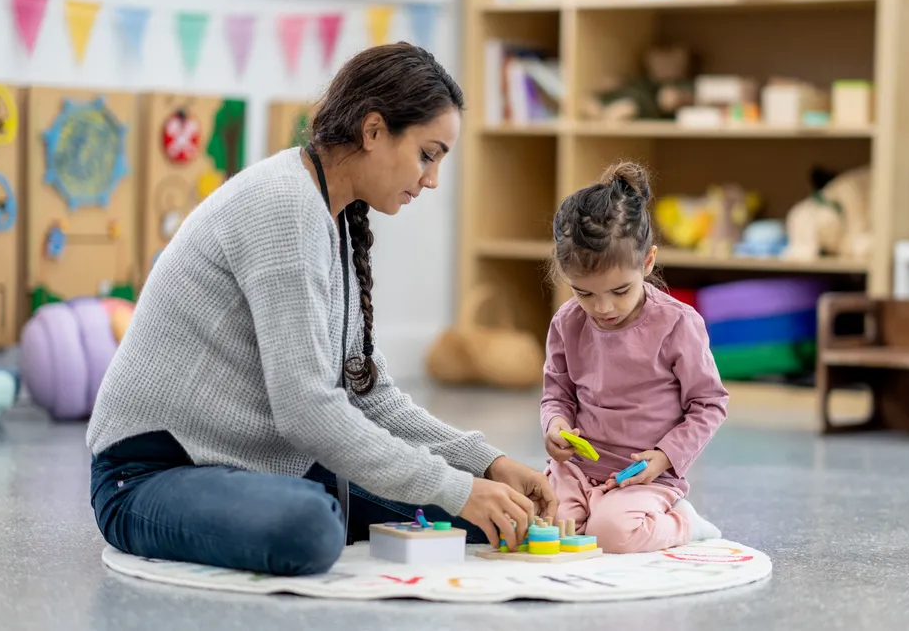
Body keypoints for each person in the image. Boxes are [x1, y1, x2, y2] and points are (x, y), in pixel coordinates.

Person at [86, 42, 557, 577]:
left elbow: (371, 395)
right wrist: (457, 487)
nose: (432, 180)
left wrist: (485, 464)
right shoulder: (284, 205)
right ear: (374, 131)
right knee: (311, 527)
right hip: (151, 476)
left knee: (496, 513)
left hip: (259, 467)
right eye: (428, 154)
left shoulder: (334, 218)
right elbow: (307, 411)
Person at [539, 161, 728, 554]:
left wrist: (664, 458)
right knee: (548, 528)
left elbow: (709, 404)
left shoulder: (677, 324)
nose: (603, 308)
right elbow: (557, 392)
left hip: (643, 476)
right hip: (576, 470)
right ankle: (594, 510)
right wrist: (555, 424)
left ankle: (685, 523)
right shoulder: (567, 322)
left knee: (613, 536)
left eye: (620, 291)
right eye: (585, 293)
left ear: (648, 261)